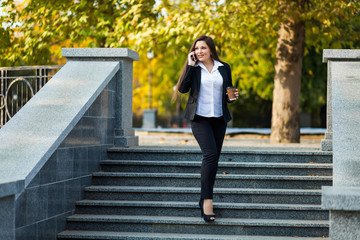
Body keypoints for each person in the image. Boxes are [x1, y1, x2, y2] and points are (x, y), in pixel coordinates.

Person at [173, 35, 239, 222]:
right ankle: (208, 202)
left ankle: (202, 198)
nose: (199, 51)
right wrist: (189, 65)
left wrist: (232, 97)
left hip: (219, 119)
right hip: (199, 119)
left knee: (214, 158)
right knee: (209, 155)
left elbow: (228, 92)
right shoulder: (193, 69)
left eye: (203, 48)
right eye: (196, 49)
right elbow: (183, 89)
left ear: (211, 49)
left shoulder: (224, 67)